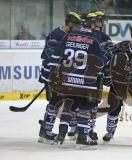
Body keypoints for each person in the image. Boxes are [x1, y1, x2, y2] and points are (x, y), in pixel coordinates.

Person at [51, 12, 106, 150]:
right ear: (93, 24)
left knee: (68, 105)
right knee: (84, 107)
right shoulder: (93, 38)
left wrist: (53, 74)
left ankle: (61, 135)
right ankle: (82, 138)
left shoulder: (68, 35)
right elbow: (100, 62)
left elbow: (55, 55)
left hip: (66, 80)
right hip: (83, 81)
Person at [38, 11, 81, 144]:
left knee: (66, 101)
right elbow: (49, 57)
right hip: (52, 75)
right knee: (54, 103)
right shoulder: (56, 35)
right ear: (69, 24)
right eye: (76, 25)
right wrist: (51, 76)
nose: (78, 28)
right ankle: (45, 131)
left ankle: (48, 129)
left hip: (62, 76)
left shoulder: (69, 35)